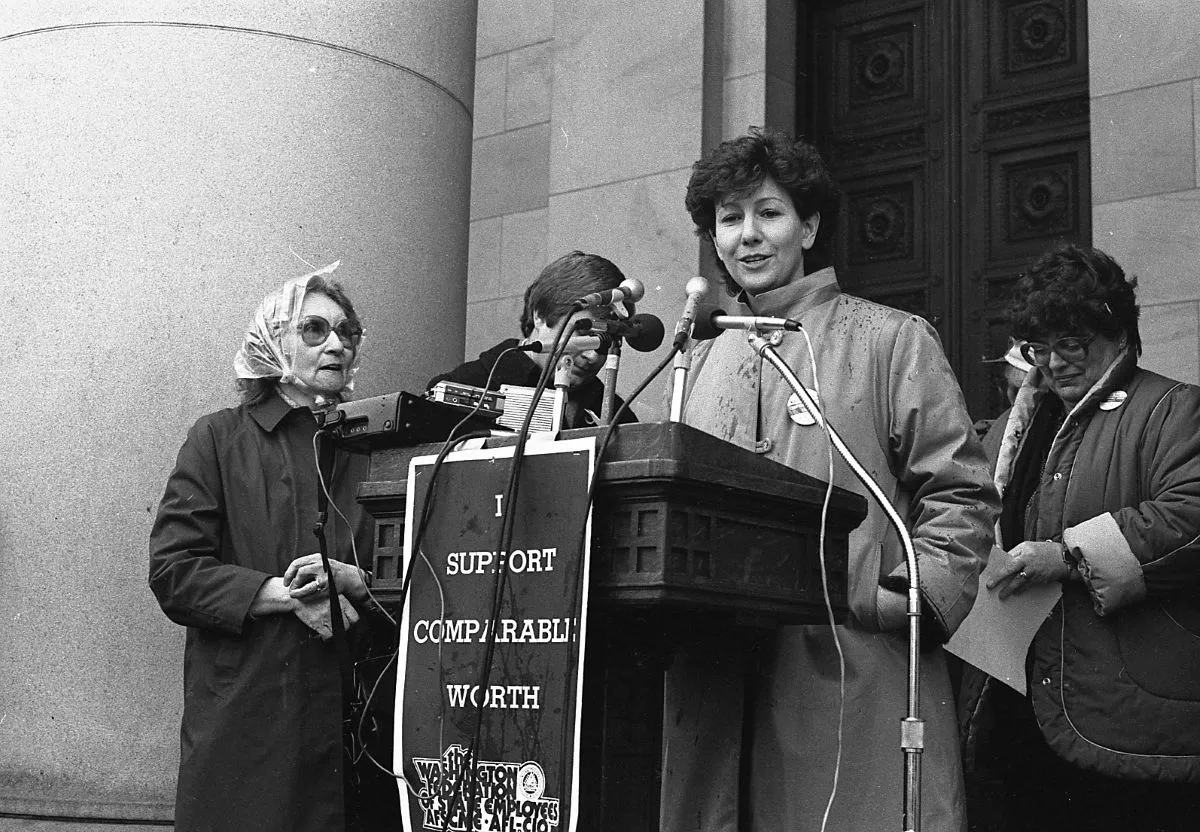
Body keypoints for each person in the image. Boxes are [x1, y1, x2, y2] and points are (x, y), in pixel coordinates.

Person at [662, 128, 999, 831]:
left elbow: (961, 491)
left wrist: (896, 598)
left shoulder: (890, 339)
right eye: (729, 219)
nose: (748, 236)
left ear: (809, 226)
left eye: (769, 213)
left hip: (854, 668)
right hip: (714, 680)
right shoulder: (697, 360)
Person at [959, 243, 1200, 832]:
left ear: (1117, 332)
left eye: (1072, 344)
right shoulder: (1010, 431)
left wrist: (1067, 556)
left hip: (1125, 719)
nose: (1054, 364)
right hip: (1014, 706)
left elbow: (1192, 514)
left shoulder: (1173, 408)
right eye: (1039, 348)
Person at [149, 265, 396, 832]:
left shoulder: (379, 449)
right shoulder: (217, 438)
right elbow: (173, 570)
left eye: (346, 331)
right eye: (314, 329)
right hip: (251, 724)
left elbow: (422, 576)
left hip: (356, 731)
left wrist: (354, 583)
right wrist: (285, 595)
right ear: (270, 340)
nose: (336, 344)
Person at [428, 250, 637, 427]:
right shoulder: (464, 387)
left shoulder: (619, 416)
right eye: (582, 334)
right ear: (540, 315)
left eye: (604, 341)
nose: (593, 355)